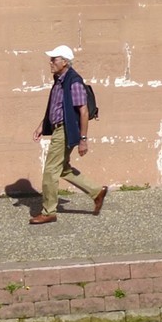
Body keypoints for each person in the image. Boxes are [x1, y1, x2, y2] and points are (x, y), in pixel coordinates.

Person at [31, 45, 106, 226]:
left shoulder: (74, 81)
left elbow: (84, 112)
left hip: (65, 131)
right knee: (62, 168)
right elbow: (54, 106)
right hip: (57, 128)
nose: (50, 62)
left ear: (64, 62)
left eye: (54, 59)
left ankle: (49, 211)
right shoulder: (59, 80)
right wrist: (42, 125)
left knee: (50, 171)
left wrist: (83, 140)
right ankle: (96, 191)